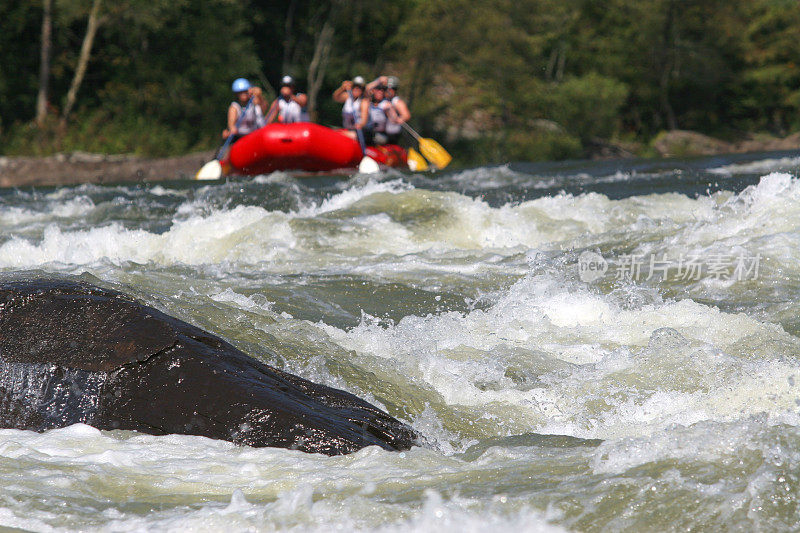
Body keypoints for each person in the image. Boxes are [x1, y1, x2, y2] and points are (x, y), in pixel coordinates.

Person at [223, 78, 268, 142]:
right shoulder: (234, 107)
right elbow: (231, 123)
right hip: (239, 137)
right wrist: (231, 128)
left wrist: (259, 96)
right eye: (240, 92)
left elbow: (264, 107)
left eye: (245, 92)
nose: (243, 94)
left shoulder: (253, 103)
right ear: (236, 94)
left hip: (253, 135)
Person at [384, 76, 411, 145]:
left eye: (392, 89)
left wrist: (397, 120)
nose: (389, 91)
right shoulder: (385, 100)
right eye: (387, 89)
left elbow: (406, 115)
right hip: (385, 133)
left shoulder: (397, 102)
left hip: (394, 135)